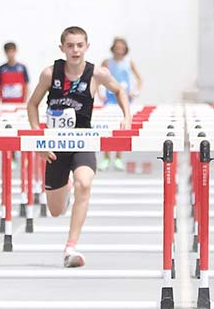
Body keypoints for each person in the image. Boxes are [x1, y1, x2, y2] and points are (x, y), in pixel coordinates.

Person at [27, 26, 132, 268]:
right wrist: (37, 138)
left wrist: (127, 117)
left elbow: (120, 91)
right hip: (55, 145)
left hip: (83, 142)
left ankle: (71, 247)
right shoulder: (49, 74)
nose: (75, 50)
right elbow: (32, 105)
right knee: (55, 210)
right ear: (62, 48)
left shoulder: (97, 74)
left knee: (84, 184)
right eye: (70, 46)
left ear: (87, 47)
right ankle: (65, 188)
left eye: (79, 45)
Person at [99, 37, 144, 171]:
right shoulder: (107, 62)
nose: (119, 50)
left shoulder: (129, 62)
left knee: (122, 127)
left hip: (124, 98)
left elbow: (139, 79)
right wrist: (99, 92)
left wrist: (136, 91)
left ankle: (118, 157)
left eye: (122, 47)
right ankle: (106, 157)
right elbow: (97, 77)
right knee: (107, 127)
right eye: (117, 47)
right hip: (110, 98)